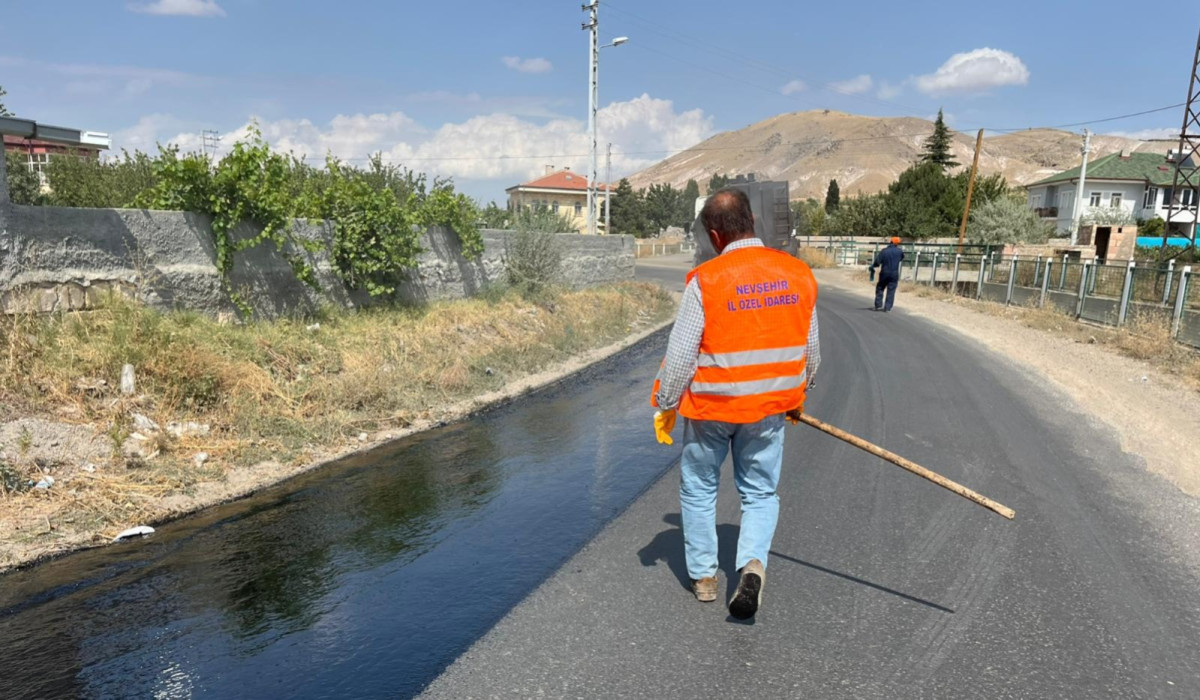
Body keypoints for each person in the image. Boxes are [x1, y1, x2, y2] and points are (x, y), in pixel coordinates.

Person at [651, 188, 821, 620]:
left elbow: (683, 353)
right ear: (753, 222)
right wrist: (797, 395)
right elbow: (811, 353)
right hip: (767, 411)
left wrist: (666, 402)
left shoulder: (706, 281)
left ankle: (705, 578)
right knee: (760, 493)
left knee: (699, 487)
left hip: (711, 410)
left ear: (713, 235)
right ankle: (751, 566)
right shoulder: (799, 274)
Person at [871, 236, 905, 312]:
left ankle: (878, 305)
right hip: (894, 273)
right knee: (891, 290)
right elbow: (901, 258)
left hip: (884, 272)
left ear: (891, 242)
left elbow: (877, 262)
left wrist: (873, 266)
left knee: (880, 288)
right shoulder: (899, 251)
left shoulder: (884, 251)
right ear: (897, 243)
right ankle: (888, 307)